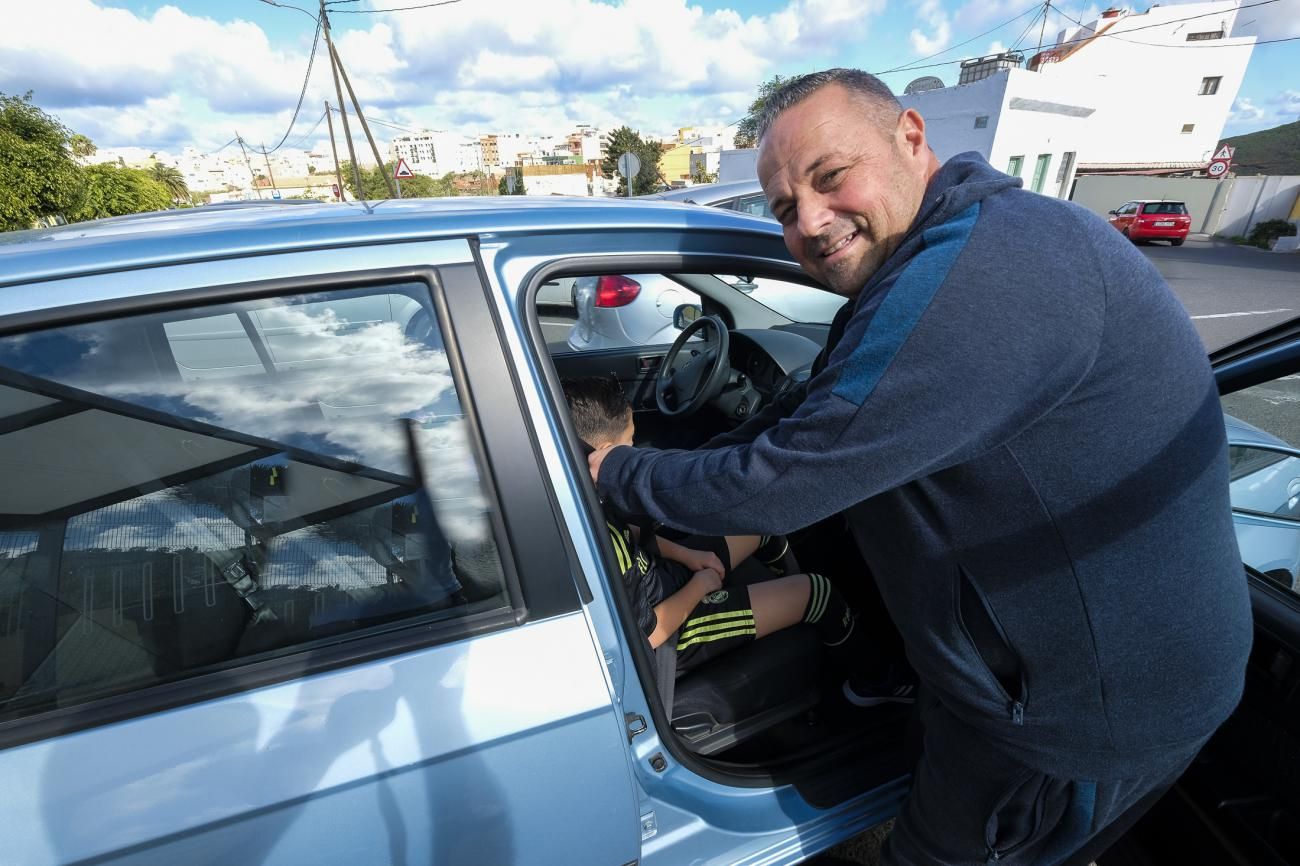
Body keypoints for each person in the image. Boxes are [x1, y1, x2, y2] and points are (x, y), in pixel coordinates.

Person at [588, 69, 1252, 865]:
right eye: (784, 208)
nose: (810, 222)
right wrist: (675, 468)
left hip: (1071, 719)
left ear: (910, 136)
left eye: (830, 178)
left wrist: (614, 477)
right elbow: (812, 407)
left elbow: (782, 482)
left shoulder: (984, 282)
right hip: (1037, 671)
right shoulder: (945, 256)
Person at [563, 375, 900, 701]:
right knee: (820, 593)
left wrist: (686, 555)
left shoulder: (583, 495)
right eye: (631, 441)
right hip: (677, 629)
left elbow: (633, 535)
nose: (634, 447)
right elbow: (648, 636)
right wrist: (701, 585)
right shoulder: (601, 535)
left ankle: (794, 616)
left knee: (760, 526)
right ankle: (874, 685)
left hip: (661, 576)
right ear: (605, 451)